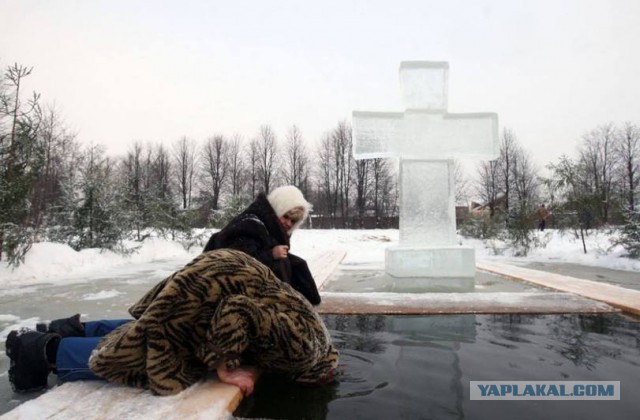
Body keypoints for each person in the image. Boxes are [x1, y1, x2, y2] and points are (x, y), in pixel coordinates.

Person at [5, 249, 339, 396]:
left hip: (222, 274)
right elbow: (240, 311)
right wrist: (226, 366)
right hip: (220, 285)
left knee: (157, 326)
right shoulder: (304, 351)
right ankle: (42, 351)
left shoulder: (316, 336)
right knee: (158, 357)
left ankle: (68, 329)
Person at [204, 185, 320, 305]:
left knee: (297, 264)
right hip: (230, 292)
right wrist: (271, 255)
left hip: (253, 292)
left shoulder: (272, 228)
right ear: (277, 209)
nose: (288, 223)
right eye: (285, 216)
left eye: (293, 221)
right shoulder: (250, 224)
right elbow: (238, 262)